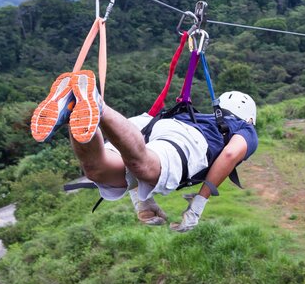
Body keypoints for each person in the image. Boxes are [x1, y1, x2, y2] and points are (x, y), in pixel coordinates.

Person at [30, 69, 258, 232]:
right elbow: (230, 154)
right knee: (145, 166)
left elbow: (134, 165)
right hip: (185, 139)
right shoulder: (245, 128)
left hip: (149, 125)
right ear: (249, 117)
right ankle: (98, 106)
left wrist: (143, 201)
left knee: (97, 169)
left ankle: (74, 108)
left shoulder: (203, 116)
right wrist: (198, 205)